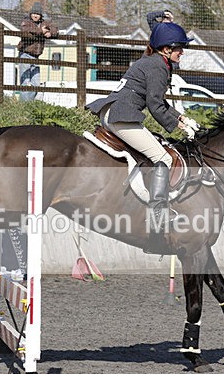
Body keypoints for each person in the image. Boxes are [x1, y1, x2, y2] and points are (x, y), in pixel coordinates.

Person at [85, 22, 200, 231]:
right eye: (179, 48)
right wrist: (178, 126)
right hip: (121, 116)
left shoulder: (152, 62)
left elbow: (158, 101)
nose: (182, 52)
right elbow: (155, 106)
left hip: (113, 111)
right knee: (163, 157)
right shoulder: (158, 67)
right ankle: (158, 213)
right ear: (166, 49)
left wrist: (182, 118)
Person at [16, 2, 58, 101]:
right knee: (25, 81)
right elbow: (25, 30)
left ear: (41, 15)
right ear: (30, 14)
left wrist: (49, 32)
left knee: (36, 83)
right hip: (25, 54)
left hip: (36, 57)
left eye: (38, 14)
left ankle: (27, 103)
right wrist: (41, 32)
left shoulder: (45, 23)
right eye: (34, 13)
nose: (35, 15)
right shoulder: (26, 22)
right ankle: (24, 105)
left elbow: (55, 29)